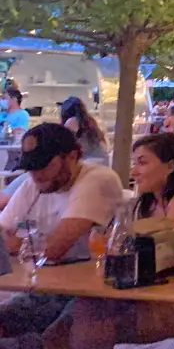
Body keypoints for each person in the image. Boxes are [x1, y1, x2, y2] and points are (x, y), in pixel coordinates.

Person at [59, 133, 174, 349]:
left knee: (90, 320)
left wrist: (121, 232)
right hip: (149, 293)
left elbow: (168, 235)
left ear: (171, 165)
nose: (134, 171)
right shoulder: (146, 203)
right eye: (134, 163)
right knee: (73, 316)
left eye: (142, 162)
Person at [0, 125, 123, 348]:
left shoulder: (97, 179)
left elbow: (54, 249)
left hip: (89, 297)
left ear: (73, 156)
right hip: (45, 289)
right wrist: (29, 245)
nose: (36, 174)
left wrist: (20, 243)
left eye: (43, 166)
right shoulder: (35, 183)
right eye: (30, 167)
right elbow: (2, 237)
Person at [59, 97, 107, 164]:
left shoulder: (71, 122)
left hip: (88, 165)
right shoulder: (90, 122)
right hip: (102, 165)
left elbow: (64, 147)